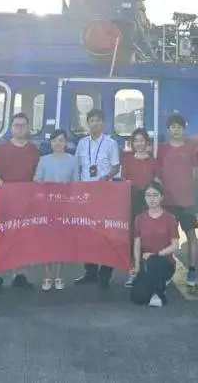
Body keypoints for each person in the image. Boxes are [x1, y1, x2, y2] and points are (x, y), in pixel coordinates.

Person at [0, 112, 40, 291]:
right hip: (6, 198)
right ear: (11, 127)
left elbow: (37, 174)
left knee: (23, 237)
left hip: (27, 199)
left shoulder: (33, 149)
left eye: (23, 125)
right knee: (4, 236)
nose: (20, 128)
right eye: (17, 125)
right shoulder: (2, 148)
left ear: (28, 128)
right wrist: (2, 185)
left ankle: (20, 275)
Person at [74, 108, 121, 288]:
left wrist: (106, 177)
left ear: (104, 123)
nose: (95, 123)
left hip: (104, 193)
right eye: (92, 120)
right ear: (88, 123)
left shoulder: (110, 143)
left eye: (99, 120)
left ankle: (105, 273)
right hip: (86, 195)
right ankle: (90, 272)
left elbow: (116, 166)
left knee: (106, 233)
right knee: (89, 233)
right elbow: (78, 166)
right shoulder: (82, 143)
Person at [156, 113, 198, 287]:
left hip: (187, 201)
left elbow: (196, 173)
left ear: (183, 129)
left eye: (179, 127)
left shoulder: (191, 147)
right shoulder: (161, 149)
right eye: (173, 127)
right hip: (167, 201)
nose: (176, 130)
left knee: (191, 236)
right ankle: (167, 272)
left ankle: (192, 271)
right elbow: (157, 174)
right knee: (166, 239)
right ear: (168, 129)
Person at [32, 129, 79, 291]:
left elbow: (75, 183)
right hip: (46, 206)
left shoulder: (73, 160)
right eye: (55, 140)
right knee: (46, 242)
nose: (58, 143)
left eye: (61, 140)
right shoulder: (43, 160)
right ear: (50, 143)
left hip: (64, 206)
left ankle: (58, 276)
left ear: (65, 142)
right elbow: (36, 180)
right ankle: (46, 277)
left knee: (61, 243)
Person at [131, 181, 180, 308]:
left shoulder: (170, 218)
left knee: (155, 261)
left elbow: (175, 245)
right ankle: (152, 287)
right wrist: (137, 266)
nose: (151, 199)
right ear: (144, 197)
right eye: (148, 195)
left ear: (161, 197)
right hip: (146, 263)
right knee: (138, 298)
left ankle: (160, 294)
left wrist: (155, 254)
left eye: (155, 195)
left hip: (165, 263)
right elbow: (137, 245)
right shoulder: (139, 218)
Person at [120, 128, 156, 287]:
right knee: (133, 237)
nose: (139, 143)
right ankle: (133, 272)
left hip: (149, 202)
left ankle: (148, 272)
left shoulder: (153, 161)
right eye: (136, 141)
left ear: (146, 142)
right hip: (132, 200)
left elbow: (157, 182)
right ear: (132, 143)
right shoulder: (127, 160)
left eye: (142, 140)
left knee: (148, 237)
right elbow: (124, 180)